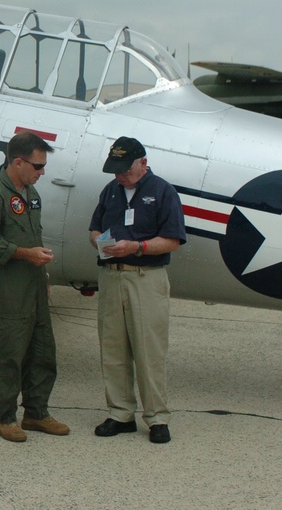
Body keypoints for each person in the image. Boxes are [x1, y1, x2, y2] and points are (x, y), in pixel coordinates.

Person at [0, 131, 69, 442]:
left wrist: (43, 277)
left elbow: (33, 237)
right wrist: (27, 255)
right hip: (8, 285)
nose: (43, 172)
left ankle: (36, 413)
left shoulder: (30, 194)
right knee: (9, 351)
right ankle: (4, 418)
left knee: (42, 349)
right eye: (38, 166)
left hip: (33, 282)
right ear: (18, 162)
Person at [89, 137, 186, 445]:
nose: (120, 176)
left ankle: (157, 417)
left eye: (125, 170)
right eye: (115, 170)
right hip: (112, 276)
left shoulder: (162, 192)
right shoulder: (111, 191)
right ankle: (120, 413)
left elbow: (172, 240)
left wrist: (137, 247)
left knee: (149, 350)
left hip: (146, 276)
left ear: (143, 163)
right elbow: (93, 228)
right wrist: (101, 243)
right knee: (113, 349)